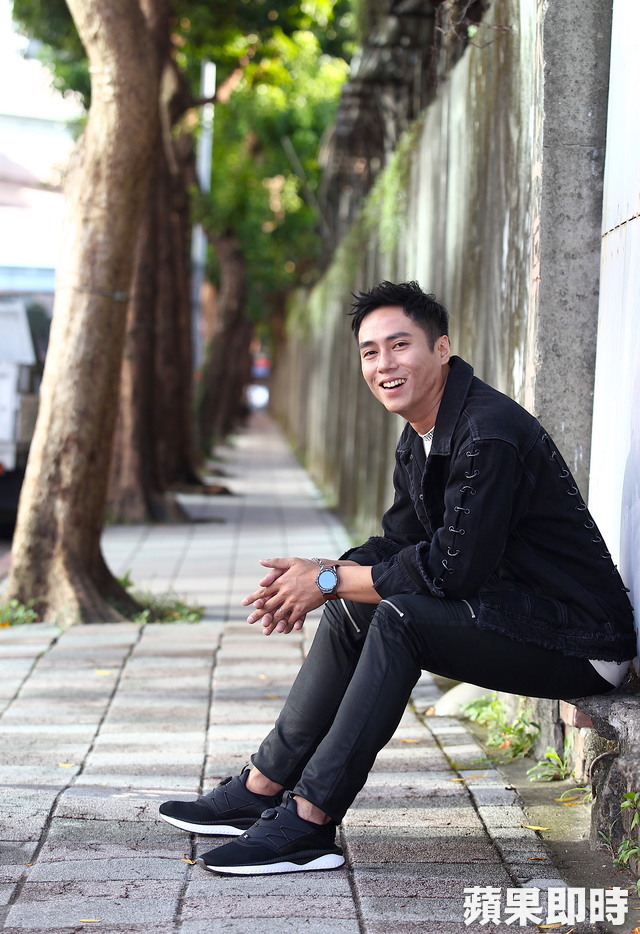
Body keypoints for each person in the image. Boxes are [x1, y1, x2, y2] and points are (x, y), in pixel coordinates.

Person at [159, 280, 635, 876]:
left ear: (442, 348)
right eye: (370, 351)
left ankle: (309, 821)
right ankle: (261, 787)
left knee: (398, 617)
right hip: (515, 616)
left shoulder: (488, 434)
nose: (384, 363)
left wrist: (328, 581)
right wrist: (323, 574)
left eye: (399, 344)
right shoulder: (422, 434)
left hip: (580, 643)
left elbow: (451, 572)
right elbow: (398, 542)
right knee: (355, 603)